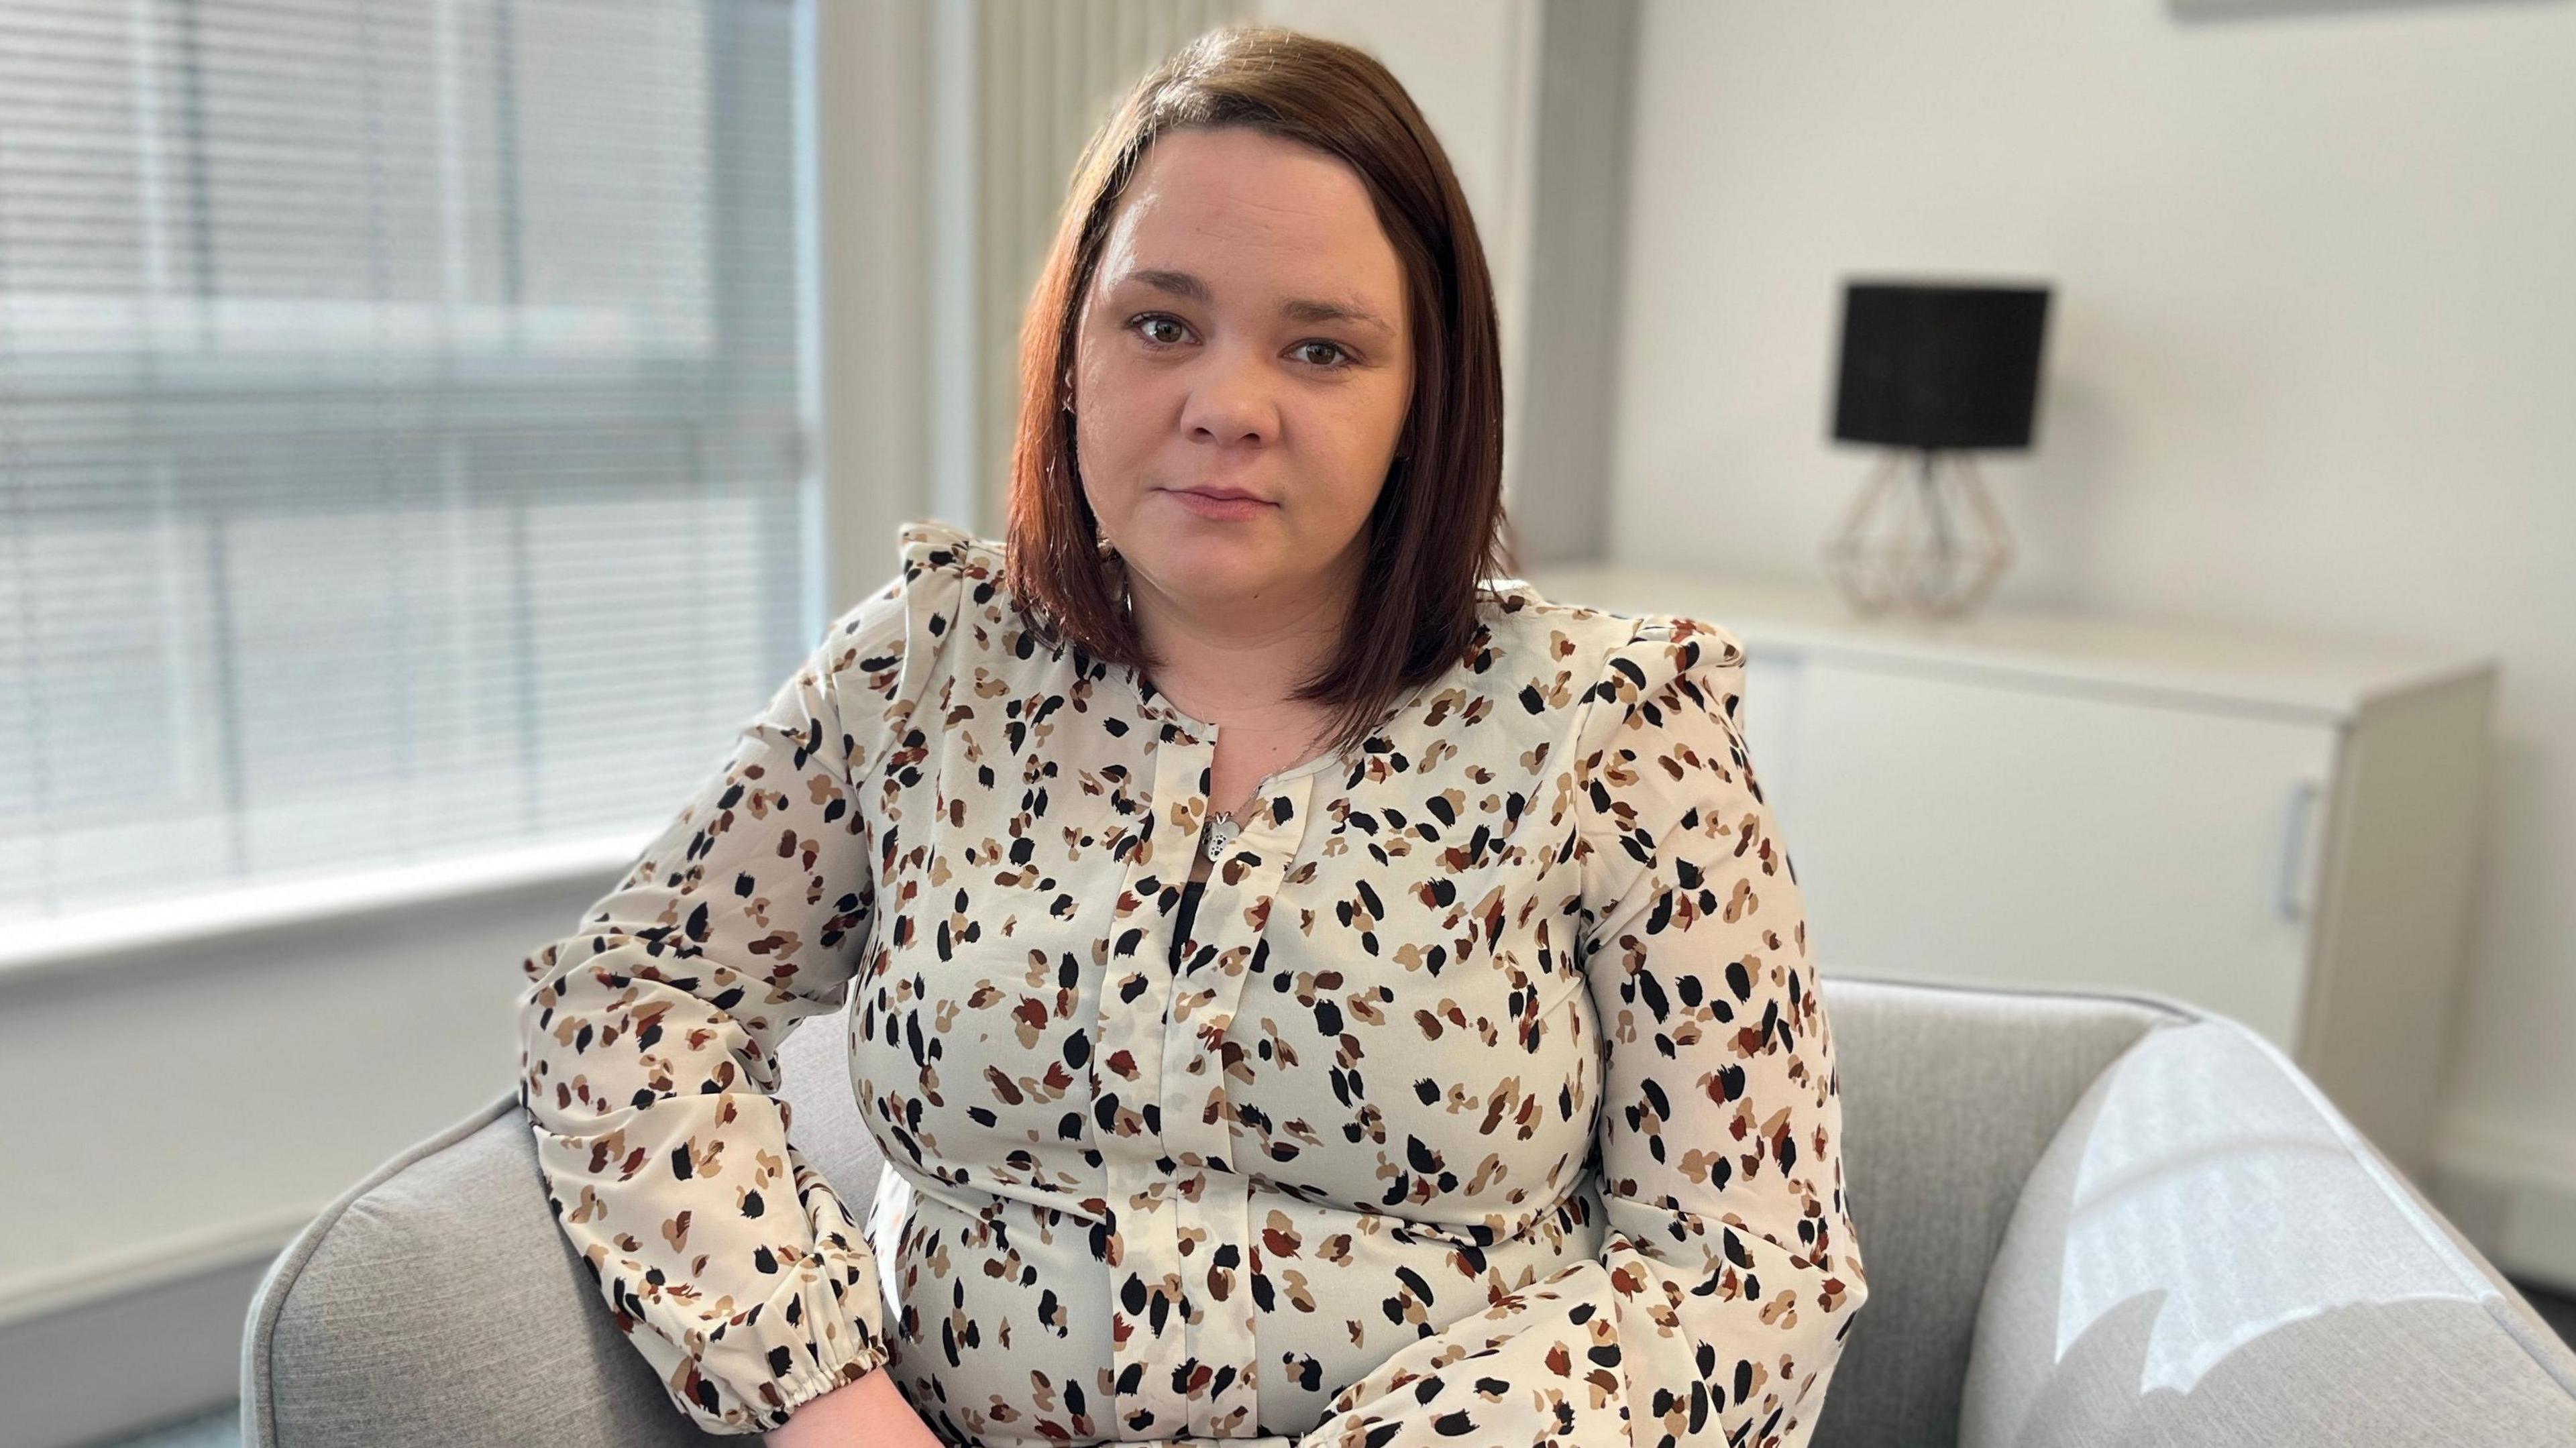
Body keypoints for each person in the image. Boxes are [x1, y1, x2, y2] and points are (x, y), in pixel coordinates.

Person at [515, 23, 1868, 1448]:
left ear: (1425, 402)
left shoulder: (1614, 728)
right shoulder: (921, 670)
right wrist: (825, 1397)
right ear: (1073, 355)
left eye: (1323, 348)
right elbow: (631, 1002)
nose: (1227, 407)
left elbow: (1749, 1268)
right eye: (1162, 324)